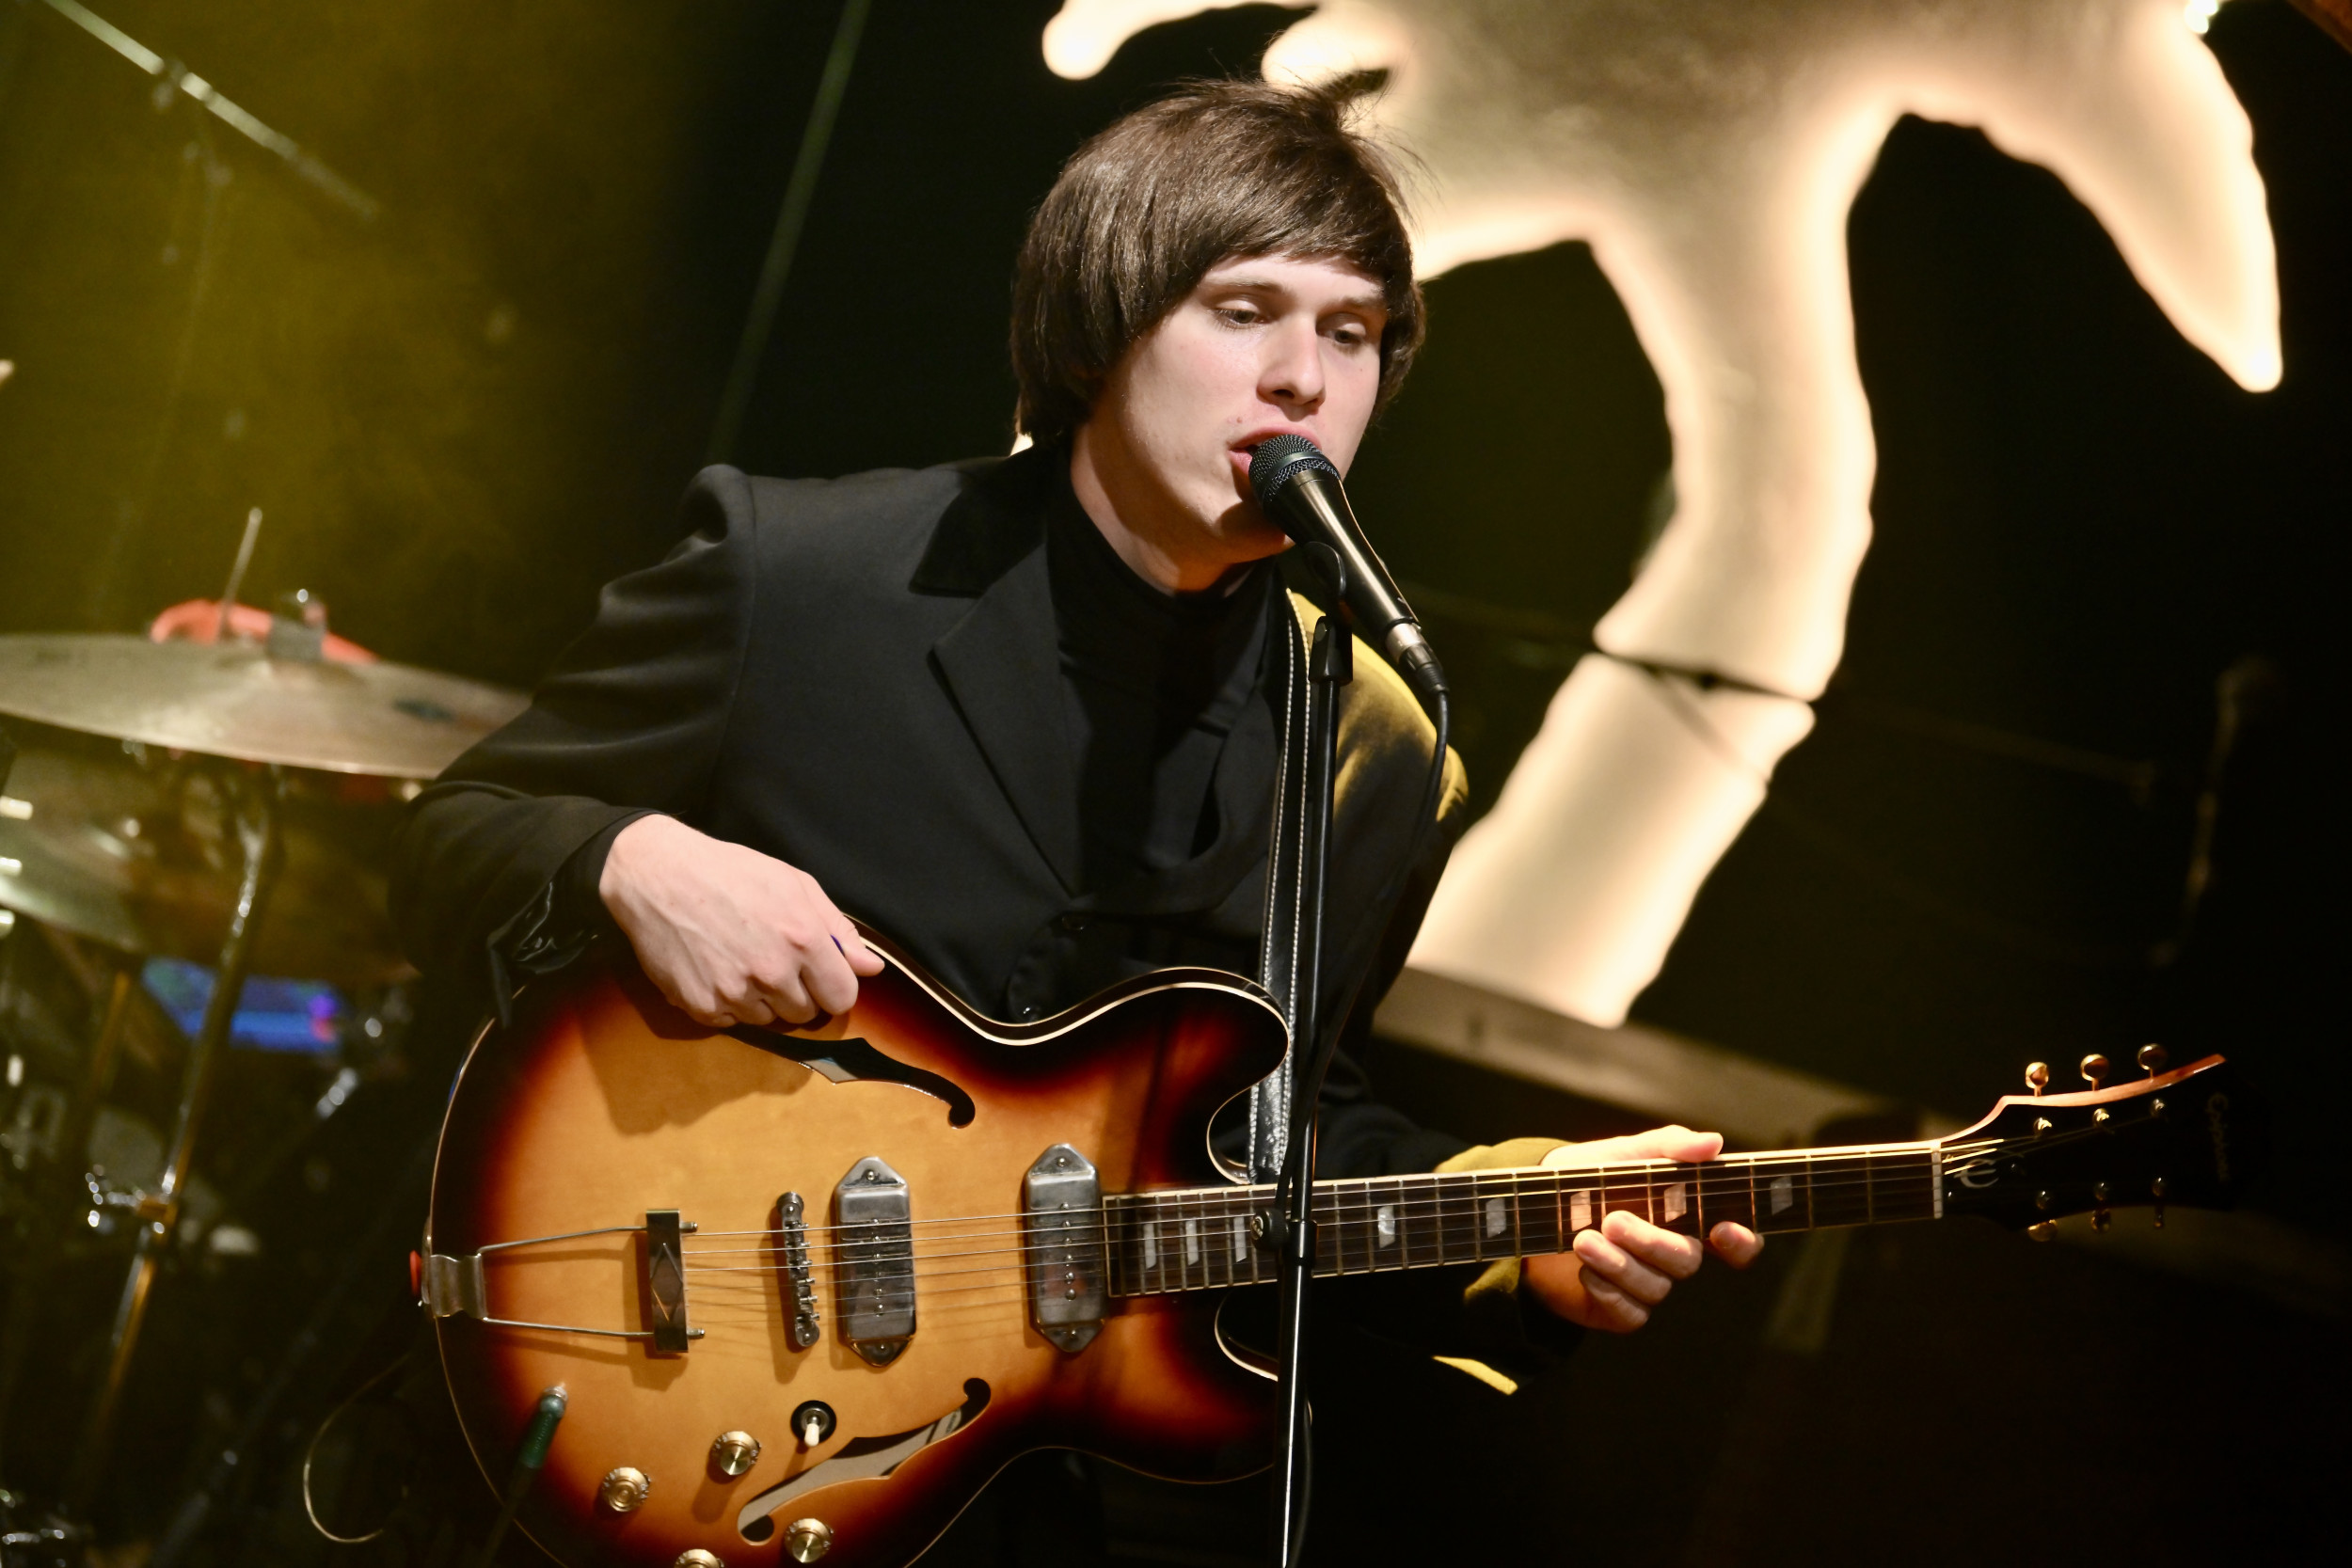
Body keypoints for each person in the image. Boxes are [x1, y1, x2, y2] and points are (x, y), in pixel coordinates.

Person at [390, 75, 1760, 1562]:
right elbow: (454, 830)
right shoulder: (803, 576)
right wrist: (628, 860)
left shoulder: (1374, 743)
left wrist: (1518, 1225)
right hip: (672, 1394)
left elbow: (1280, 1128)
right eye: (1246, 311)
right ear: (1102, 324)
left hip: (1029, 1499)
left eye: (1352, 333)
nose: (1302, 379)